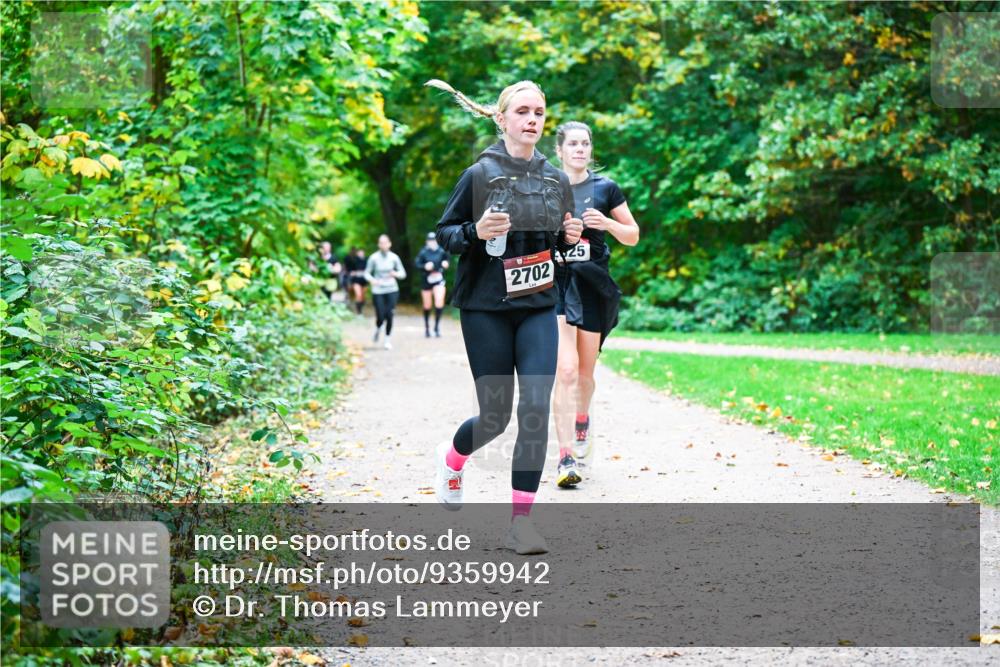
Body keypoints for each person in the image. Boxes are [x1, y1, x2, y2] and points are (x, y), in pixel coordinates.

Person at [427, 78, 583, 555]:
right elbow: (445, 236)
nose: (533, 119)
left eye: (539, 112)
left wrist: (570, 239)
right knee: (495, 417)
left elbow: (558, 245)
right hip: (485, 308)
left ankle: (521, 522)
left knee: (534, 412)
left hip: (537, 306)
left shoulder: (555, 180)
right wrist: (474, 231)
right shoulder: (479, 175)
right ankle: (452, 460)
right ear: (502, 118)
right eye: (523, 111)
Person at [551, 121, 640, 488]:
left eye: (585, 143)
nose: (580, 149)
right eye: (572, 143)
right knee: (566, 372)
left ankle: (582, 417)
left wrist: (606, 223)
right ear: (559, 150)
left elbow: (632, 236)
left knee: (585, 375)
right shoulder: (547, 186)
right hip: (556, 284)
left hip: (592, 286)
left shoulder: (607, 188)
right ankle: (565, 456)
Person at [364, 234, 406, 350]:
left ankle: (387, 340)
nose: (383, 245)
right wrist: (372, 280)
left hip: (392, 289)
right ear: (378, 245)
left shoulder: (394, 257)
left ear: (389, 244)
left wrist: (395, 274)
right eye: (381, 243)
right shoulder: (373, 258)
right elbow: (366, 273)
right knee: (381, 315)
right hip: (378, 290)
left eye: (385, 242)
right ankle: (378, 328)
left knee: (390, 314)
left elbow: (403, 273)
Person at [415, 231, 450, 337]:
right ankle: (427, 327)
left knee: (439, 301)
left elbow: (447, 261)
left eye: (434, 240)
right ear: (426, 242)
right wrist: (425, 266)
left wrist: (446, 264)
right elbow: (417, 264)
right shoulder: (423, 252)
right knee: (427, 305)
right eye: (430, 240)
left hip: (439, 279)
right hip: (426, 280)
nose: (432, 242)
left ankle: (437, 327)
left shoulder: (441, 251)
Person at [344, 247, 368, 315]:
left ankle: (360, 307)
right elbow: (349, 268)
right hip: (356, 280)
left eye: (362, 252)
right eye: (359, 252)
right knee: (358, 295)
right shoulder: (353, 260)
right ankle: (359, 312)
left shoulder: (367, 260)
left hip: (364, 280)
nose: (360, 254)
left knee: (363, 296)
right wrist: (352, 272)